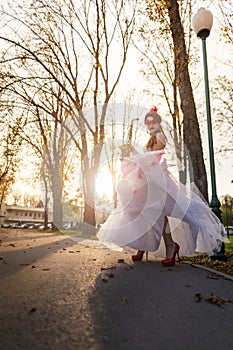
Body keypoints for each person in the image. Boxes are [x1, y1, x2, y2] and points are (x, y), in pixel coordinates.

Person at [97, 106, 226, 266]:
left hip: (158, 183)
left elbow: (152, 157)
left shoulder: (160, 136)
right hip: (149, 182)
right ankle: (147, 246)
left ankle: (169, 246)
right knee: (148, 212)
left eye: (153, 122)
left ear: (158, 123)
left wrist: (137, 156)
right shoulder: (151, 138)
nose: (150, 124)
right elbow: (147, 158)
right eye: (147, 122)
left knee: (157, 212)